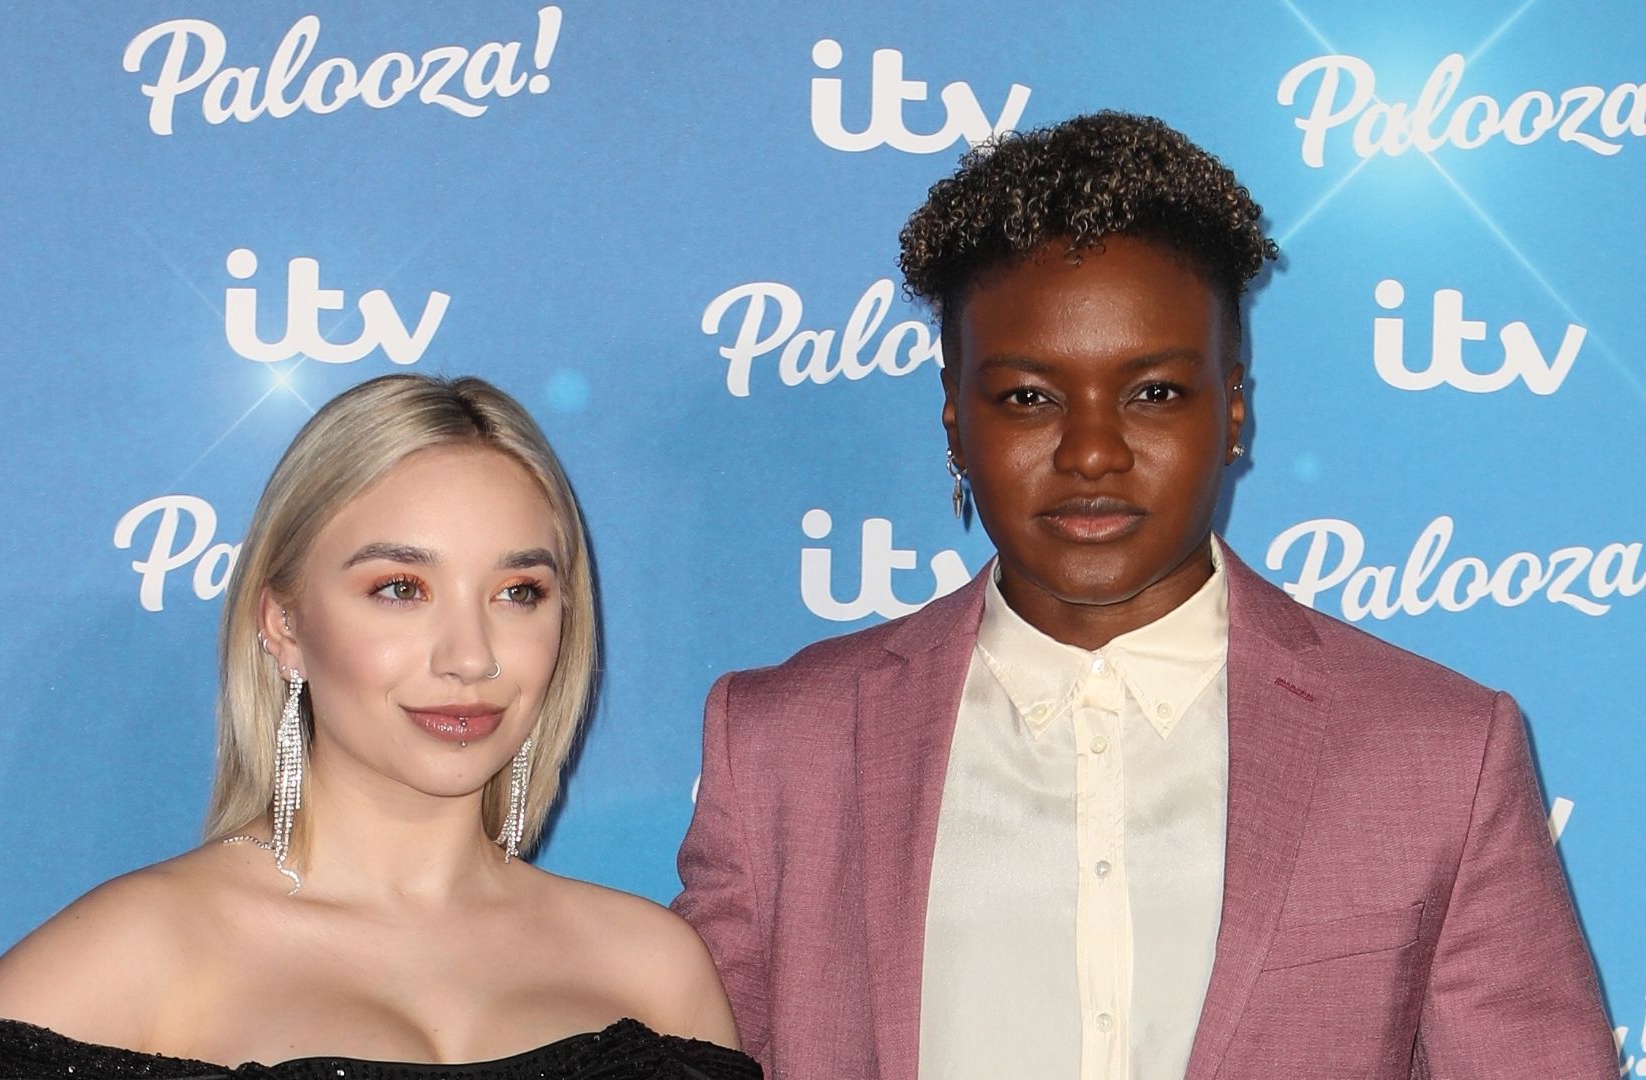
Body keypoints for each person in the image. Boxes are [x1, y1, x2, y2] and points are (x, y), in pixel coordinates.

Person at [674, 112, 1615, 1079]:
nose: (1092, 452)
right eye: (1029, 396)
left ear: (1234, 406)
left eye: (1154, 392)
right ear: (954, 416)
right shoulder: (782, 750)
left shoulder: (1441, 753)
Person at [0, 374, 757, 1079]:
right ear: (284, 625)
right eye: (400, 590)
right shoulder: (153, 944)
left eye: (518, 592)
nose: (470, 656)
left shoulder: (652, 968)